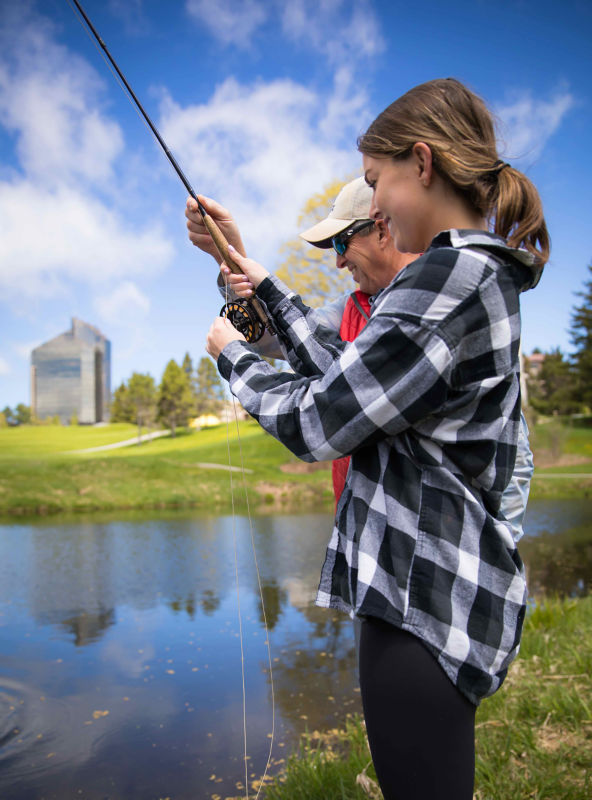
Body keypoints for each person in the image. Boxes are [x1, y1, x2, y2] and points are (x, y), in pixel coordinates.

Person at [190, 76, 549, 790]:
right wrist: (252, 275)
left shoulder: (453, 274)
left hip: (426, 600)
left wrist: (233, 359)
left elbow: (323, 417)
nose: (375, 202)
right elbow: (355, 377)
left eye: (373, 181)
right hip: (420, 592)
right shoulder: (466, 275)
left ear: (421, 163)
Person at [186, 179, 533, 536]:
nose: (337, 261)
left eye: (341, 242)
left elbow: (512, 458)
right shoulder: (347, 311)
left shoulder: (451, 308)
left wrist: (496, 550)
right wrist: (227, 251)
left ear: (382, 228)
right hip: (367, 542)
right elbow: (279, 337)